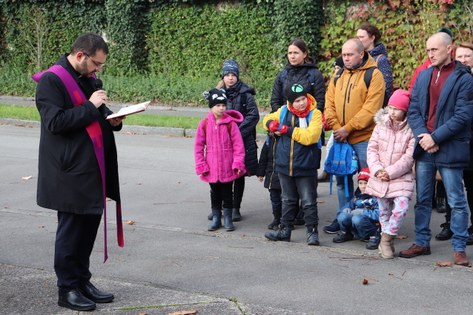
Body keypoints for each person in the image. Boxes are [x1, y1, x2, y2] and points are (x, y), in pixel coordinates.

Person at [33, 33, 123, 311]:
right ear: (81, 55)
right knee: (71, 232)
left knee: (88, 228)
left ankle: (82, 281)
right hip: (69, 171)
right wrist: (91, 106)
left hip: (93, 167)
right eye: (96, 63)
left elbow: (98, 114)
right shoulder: (51, 80)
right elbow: (56, 122)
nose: (98, 70)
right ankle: (67, 288)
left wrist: (113, 120)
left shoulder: (89, 79)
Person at [399, 32, 473, 266]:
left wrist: (435, 137)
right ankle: (422, 242)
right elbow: (413, 110)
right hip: (425, 147)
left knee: (456, 200)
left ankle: (459, 247)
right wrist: (424, 136)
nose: (430, 54)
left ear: (449, 49)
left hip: (449, 147)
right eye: (428, 50)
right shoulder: (423, 76)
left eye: (435, 50)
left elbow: (463, 116)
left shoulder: (465, 78)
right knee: (422, 200)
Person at [323, 38, 385, 234]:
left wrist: (348, 128)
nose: (346, 58)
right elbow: (329, 102)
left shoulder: (374, 75)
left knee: (370, 182)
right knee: (342, 181)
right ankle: (345, 218)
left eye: (350, 55)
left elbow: (371, 109)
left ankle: (372, 220)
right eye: (344, 55)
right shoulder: (338, 73)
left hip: (364, 138)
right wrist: (336, 127)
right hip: (341, 137)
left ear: (361, 53)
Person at [270, 38, 326, 225]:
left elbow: (320, 101)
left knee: (307, 174)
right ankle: (286, 216)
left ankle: (305, 214)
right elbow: (275, 100)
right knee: (284, 172)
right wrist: (277, 125)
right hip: (284, 129)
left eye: (296, 53)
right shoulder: (283, 75)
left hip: (309, 126)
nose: (292, 56)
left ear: (304, 54)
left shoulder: (314, 74)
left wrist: (309, 119)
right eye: (289, 53)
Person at [263, 83, 323, 245]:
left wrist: (285, 130)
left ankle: (312, 232)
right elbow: (268, 118)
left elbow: (311, 136)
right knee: (287, 199)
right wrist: (270, 125)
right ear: (290, 102)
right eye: (297, 101)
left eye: (303, 99)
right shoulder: (283, 111)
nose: (302, 103)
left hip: (306, 166)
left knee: (308, 201)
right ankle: (285, 230)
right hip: (284, 166)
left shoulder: (315, 114)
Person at [365, 89, 415, 259]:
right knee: (384, 210)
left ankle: (386, 239)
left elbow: (409, 157)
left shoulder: (411, 129)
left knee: (400, 208)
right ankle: (386, 239)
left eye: (397, 109)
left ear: (405, 110)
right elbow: (372, 149)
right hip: (380, 175)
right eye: (390, 108)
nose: (393, 112)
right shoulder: (380, 125)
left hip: (400, 176)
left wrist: (390, 172)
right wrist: (378, 169)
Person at [435, 41, 473, 245]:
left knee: (471, 187)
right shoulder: (451, 78)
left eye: (467, 56)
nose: (464, 60)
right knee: (452, 186)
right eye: (460, 57)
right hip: (454, 140)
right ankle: (450, 224)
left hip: (470, 141)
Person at [195, 88, 246, 232]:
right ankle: (216, 217)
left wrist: (237, 162)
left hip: (228, 166)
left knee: (227, 193)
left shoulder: (231, 124)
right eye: (218, 105)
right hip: (211, 167)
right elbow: (198, 146)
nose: (221, 108)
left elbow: (238, 146)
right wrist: (201, 164)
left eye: (223, 105)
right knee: (215, 193)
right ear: (211, 107)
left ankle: (228, 218)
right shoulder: (204, 124)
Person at [214, 59, 259, 222]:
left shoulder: (245, 93)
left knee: (238, 174)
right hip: (221, 142)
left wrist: (236, 132)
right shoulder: (217, 93)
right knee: (220, 174)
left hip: (241, 140)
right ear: (223, 76)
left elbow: (254, 115)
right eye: (227, 74)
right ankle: (219, 207)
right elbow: (212, 116)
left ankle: (235, 207)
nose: (231, 78)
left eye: (233, 74)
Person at [332, 168, 380, 247]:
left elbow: (379, 214)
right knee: (342, 216)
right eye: (360, 183)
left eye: (366, 183)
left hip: (372, 225)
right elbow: (349, 205)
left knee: (357, 218)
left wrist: (363, 212)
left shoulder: (376, 198)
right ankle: (346, 233)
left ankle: (374, 236)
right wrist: (347, 209)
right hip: (357, 226)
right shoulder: (357, 196)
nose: (363, 186)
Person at [357, 22, 393, 105]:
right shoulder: (359, 58)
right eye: (357, 37)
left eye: (362, 37)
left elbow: (386, 89)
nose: (359, 40)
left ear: (372, 38)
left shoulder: (381, 60)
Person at [256, 134, 282, 230]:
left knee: (287, 199)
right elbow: (263, 157)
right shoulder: (270, 139)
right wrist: (261, 172)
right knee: (274, 199)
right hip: (271, 175)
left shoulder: (288, 138)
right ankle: (277, 218)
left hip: (285, 175)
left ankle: (286, 220)